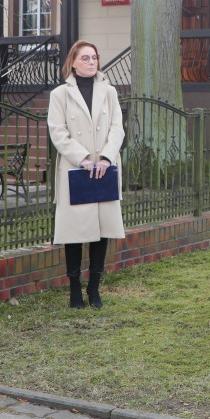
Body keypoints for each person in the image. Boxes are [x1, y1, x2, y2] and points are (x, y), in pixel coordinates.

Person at [48, 40, 125, 309]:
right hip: (75, 169)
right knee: (74, 232)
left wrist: (105, 157)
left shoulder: (110, 92)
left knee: (102, 230)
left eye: (94, 58)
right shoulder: (60, 94)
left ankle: (94, 289)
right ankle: (74, 291)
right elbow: (58, 132)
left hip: (103, 167)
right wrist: (81, 158)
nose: (91, 62)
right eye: (86, 58)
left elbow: (117, 128)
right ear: (73, 62)